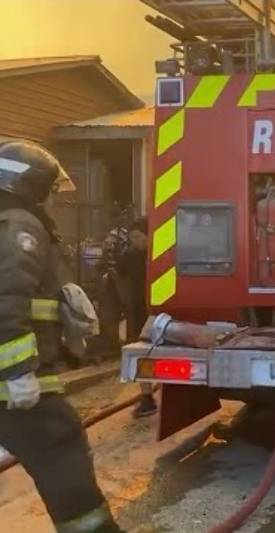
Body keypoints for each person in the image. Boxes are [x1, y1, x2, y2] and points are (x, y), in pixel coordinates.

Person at [0, 139, 122, 532]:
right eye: (51, 191)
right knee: (61, 451)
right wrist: (17, 372)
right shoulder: (20, 225)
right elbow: (7, 299)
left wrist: (61, 302)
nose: (54, 200)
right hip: (14, 387)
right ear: (32, 187)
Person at [117, 217, 157, 418]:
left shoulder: (161, 254)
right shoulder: (130, 255)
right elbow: (118, 270)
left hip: (159, 311)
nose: (134, 241)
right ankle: (147, 397)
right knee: (143, 355)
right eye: (131, 237)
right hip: (139, 312)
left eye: (138, 236)